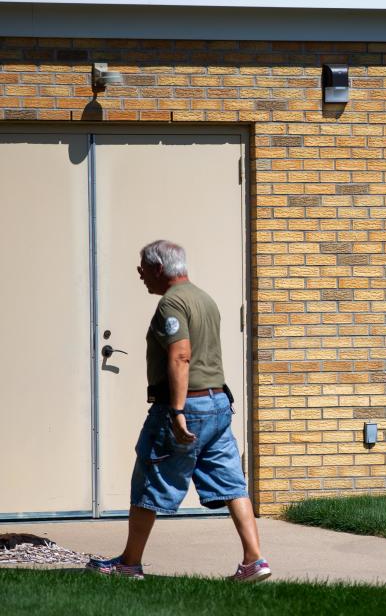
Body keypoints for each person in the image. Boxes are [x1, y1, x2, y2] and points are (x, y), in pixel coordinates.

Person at [87, 240, 270, 582]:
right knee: (232, 483)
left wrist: (176, 411)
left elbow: (181, 355)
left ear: (159, 268)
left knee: (149, 479)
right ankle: (254, 560)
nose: (140, 274)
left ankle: (129, 563)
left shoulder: (171, 303)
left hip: (188, 407)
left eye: (143, 267)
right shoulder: (204, 299)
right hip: (218, 405)